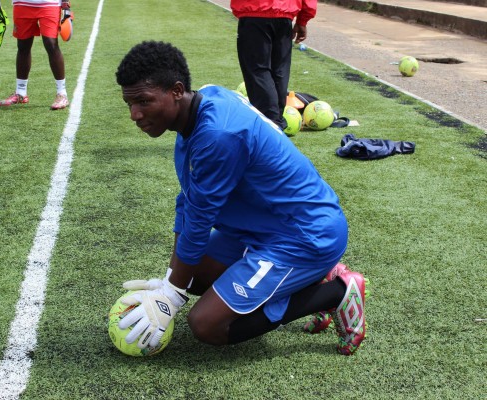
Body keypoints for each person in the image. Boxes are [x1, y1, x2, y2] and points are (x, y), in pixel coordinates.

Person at [114, 41, 367, 356]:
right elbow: (188, 204)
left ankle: (335, 293)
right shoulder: (202, 103)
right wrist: (172, 283)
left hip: (305, 234)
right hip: (264, 227)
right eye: (130, 103)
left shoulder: (218, 135)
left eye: (143, 101)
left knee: (206, 325)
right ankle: (310, 278)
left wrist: (171, 296)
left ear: (177, 91)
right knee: (188, 276)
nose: (134, 114)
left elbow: (199, 221)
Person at [230, 0, 317, 131]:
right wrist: (302, 20)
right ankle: (274, 122)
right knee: (279, 71)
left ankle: (271, 125)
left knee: (258, 70)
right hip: (284, 14)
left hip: (254, 11)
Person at [0, 0, 71, 110]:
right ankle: (21, 93)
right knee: (23, 46)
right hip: (22, 4)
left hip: (49, 4)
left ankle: (62, 93)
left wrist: (65, 4)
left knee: (51, 45)